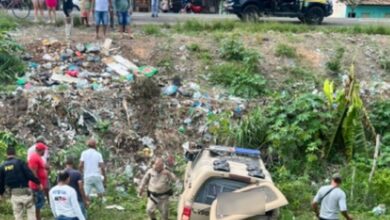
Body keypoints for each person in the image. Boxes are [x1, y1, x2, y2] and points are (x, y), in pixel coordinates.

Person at [0, 146, 41, 220]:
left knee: (18, 216)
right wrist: (38, 182)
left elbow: (1, 182)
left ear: (7, 154)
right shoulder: (20, 162)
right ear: (15, 153)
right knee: (31, 213)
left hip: (14, 194)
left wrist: (1, 194)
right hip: (26, 193)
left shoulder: (2, 166)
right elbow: (29, 174)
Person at [28, 143, 48, 220]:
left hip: (39, 185)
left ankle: (37, 217)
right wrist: (38, 183)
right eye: (44, 150)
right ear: (41, 150)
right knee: (36, 204)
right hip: (36, 186)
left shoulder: (38, 157)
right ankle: (37, 218)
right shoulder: (34, 157)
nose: (45, 152)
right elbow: (33, 172)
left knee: (38, 204)